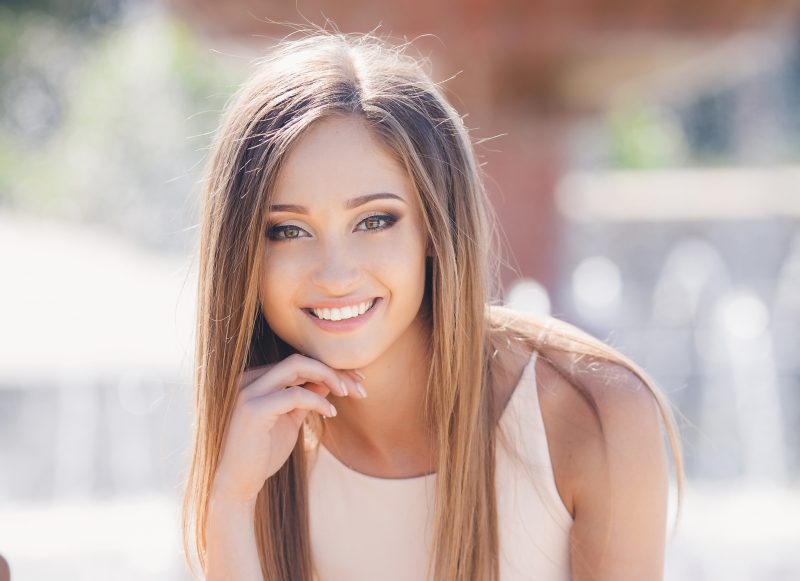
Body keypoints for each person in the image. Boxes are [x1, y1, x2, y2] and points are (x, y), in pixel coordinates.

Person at [181, 28, 684, 581]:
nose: (335, 273)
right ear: (241, 253)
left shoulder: (590, 414)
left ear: (435, 230)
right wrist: (228, 505)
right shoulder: (257, 443)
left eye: (374, 220)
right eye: (288, 230)